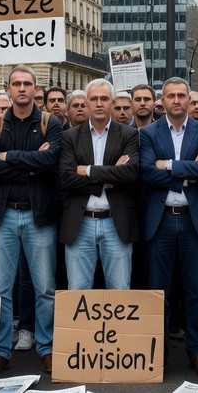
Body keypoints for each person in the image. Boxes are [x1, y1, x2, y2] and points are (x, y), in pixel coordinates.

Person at [0, 66, 63, 374]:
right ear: (8, 88)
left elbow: (50, 161)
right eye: (17, 84)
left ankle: (47, 347)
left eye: (27, 83)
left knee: (45, 289)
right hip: (3, 216)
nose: (22, 88)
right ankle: (1, 349)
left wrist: (8, 156)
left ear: (36, 88)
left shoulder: (50, 123)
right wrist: (30, 165)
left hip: (39, 217)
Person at [139, 77, 198, 377]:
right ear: (162, 100)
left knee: (195, 290)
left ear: (189, 99)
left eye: (181, 95)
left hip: (192, 220)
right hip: (160, 220)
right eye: (170, 96)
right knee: (158, 291)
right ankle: (157, 352)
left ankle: (196, 351)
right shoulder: (148, 133)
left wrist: (169, 165)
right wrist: (188, 171)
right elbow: (147, 172)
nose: (176, 100)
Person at [58, 79, 139, 290]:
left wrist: (87, 170)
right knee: (78, 291)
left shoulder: (129, 135)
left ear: (112, 102)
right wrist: (110, 176)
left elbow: (129, 173)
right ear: (87, 102)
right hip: (80, 222)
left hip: (116, 221)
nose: (99, 103)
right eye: (94, 99)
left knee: (120, 290)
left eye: (104, 98)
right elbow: (66, 178)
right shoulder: (70, 136)